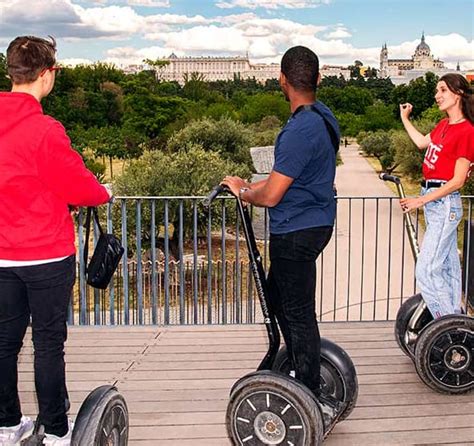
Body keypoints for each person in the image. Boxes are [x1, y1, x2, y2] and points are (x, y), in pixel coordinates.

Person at [221, 46, 341, 428]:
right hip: (317, 220)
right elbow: (286, 181)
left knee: (298, 313)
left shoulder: (297, 131)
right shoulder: (325, 118)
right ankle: (296, 364)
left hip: (295, 231)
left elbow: (271, 196)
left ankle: (308, 391)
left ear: (282, 81)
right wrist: (249, 184)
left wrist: (243, 192)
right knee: (279, 299)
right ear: (318, 79)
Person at [0, 36, 111, 445]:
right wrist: (105, 194)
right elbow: (80, 188)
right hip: (45, 253)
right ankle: (57, 432)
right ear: (47, 74)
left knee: (4, 342)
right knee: (48, 343)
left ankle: (8, 425)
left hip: (1, 256)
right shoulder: (44, 129)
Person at [399, 73, 474, 318]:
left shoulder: (467, 131)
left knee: (427, 269)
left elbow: (458, 181)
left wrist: (419, 201)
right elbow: (422, 143)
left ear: (459, 93)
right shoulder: (444, 125)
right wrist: (405, 118)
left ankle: (445, 325)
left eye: (442, 90)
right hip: (434, 201)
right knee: (448, 268)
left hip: (444, 204)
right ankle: (456, 319)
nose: (436, 95)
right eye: (436, 91)